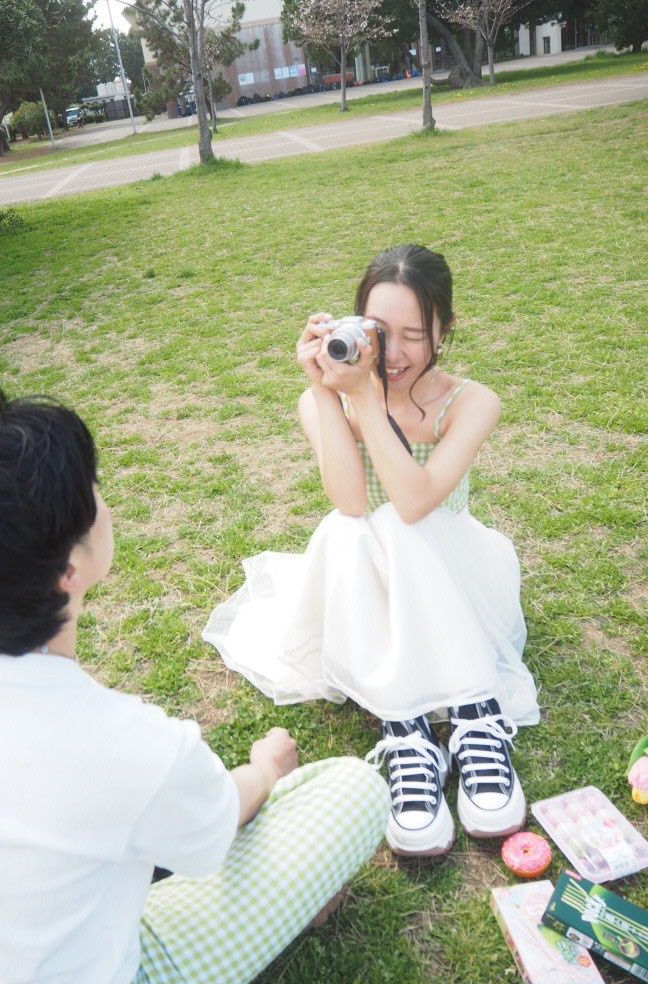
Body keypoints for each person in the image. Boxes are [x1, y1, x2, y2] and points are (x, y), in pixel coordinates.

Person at [0, 386, 389, 984]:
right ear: (68, 569)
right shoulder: (122, 744)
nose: (104, 501)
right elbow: (217, 823)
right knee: (354, 789)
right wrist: (266, 769)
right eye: (91, 490)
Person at [203, 244, 541, 859]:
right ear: (354, 326)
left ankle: (475, 714)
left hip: (454, 578)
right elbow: (351, 500)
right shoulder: (328, 399)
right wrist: (327, 394)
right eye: (380, 333)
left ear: (445, 329)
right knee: (352, 528)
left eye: (415, 335)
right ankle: (406, 728)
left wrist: (363, 399)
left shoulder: (472, 401)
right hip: (367, 584)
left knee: (401, 524)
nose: (393, 354)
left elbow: (415, 502)